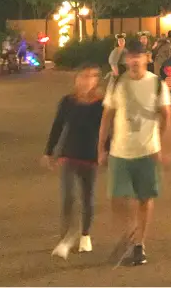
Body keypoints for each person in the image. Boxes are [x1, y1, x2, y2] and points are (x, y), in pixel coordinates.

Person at [98, 40, 171, 268]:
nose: (133, 61)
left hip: (147, 151)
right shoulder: (117, 84)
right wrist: (100, 147)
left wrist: (165, 147)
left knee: (144, 198)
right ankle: (130, 230)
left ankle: (139, 244)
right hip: (119, 151)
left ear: (147, 58)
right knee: (116, 199)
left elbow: (167, 117)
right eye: (129, 57)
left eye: (138, 56)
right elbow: (107, 117)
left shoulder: (157, 84)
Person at [43, 65, 104, 259]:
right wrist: (49, 151)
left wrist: (107, 150)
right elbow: (58, 126)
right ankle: (65, 237)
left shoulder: (101, 104)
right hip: (69, 154)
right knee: (68, 197)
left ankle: (85, 234)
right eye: (83, 76)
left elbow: (108, 129)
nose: (87, 81)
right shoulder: (68, 102)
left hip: (90, 155)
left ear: (96, 81)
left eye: (92, 77)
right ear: (76, 79)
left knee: (88, 197)